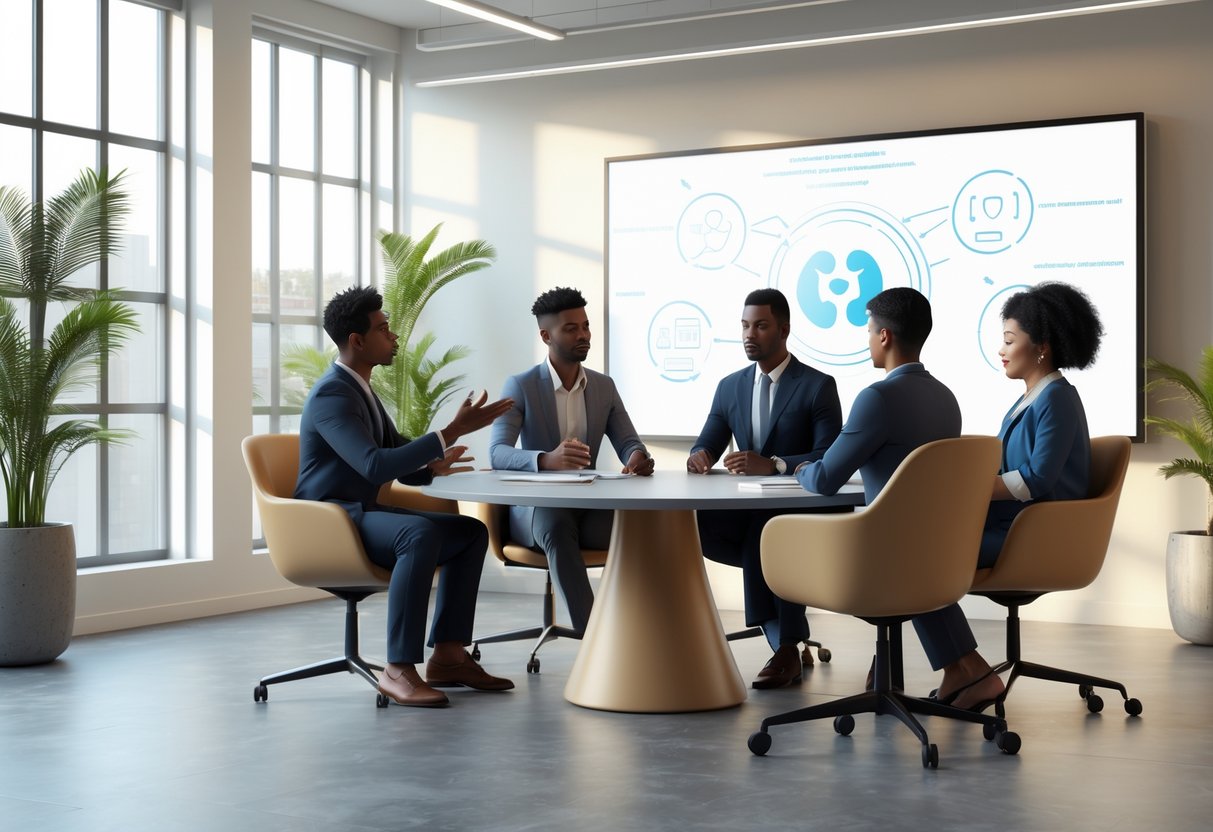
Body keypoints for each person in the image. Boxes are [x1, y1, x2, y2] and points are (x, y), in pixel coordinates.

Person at [295, 286, 515, 708]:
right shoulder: (331, 395)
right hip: (329, 522)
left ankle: (449, 657)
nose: (393, 336)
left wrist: (431, 467)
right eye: (383, 329)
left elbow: (394, 455)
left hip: (360, 514)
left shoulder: (360, 390)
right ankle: (398, 669)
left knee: (469, 533)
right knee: (417, 534)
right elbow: (374, 466)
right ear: (357, 341)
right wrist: (450, 431)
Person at [907, 281, 1104, 712]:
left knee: (916, 558)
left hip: (1034, 535)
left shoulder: (1057, 399)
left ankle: (971, 671)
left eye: (1010, 340)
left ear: (1042, 348)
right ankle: (960, 670)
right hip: (1013, 525)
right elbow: (1002, 470)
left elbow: (1037, 479)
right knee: (914, 548)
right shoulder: (1031, 400)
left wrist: (966, 489)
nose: (1001, 349)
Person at [792, 287, 962, 691]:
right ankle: (965, 671)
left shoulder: (878, 398)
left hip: (882, 555)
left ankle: (963, 671)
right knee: (913, 558)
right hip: (936, 547)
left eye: (869, 331)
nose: (868, 340)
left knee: (776, 534)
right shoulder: (947, 398)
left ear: (884, 336)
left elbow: (825, 479)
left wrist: (799, 468)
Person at [686, 288, 843, 689]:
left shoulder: (818, 385)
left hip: (803, 508)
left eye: (760, 326)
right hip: (751, 510)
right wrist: (699, 456)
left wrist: (774, 465)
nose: (748, 334)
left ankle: (786, 648)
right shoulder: (730, 386)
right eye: (744, 326)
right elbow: (707, 441)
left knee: (766, 535)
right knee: (704, 527)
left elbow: (829, 453)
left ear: (783, 330)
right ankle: (782, 637)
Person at [490, 286, 654, 635]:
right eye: (571, 328)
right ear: (546, 336)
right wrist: (546, 460)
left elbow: (628, 441)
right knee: (557, 526)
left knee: (644, 529)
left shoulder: (604, 386)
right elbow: (498, 452)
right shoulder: (521, 385)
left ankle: (644, 634)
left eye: (586, 326)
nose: (583, 335)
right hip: (538, 511)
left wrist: (637, 457)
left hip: (589, 506)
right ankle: (595, 640)